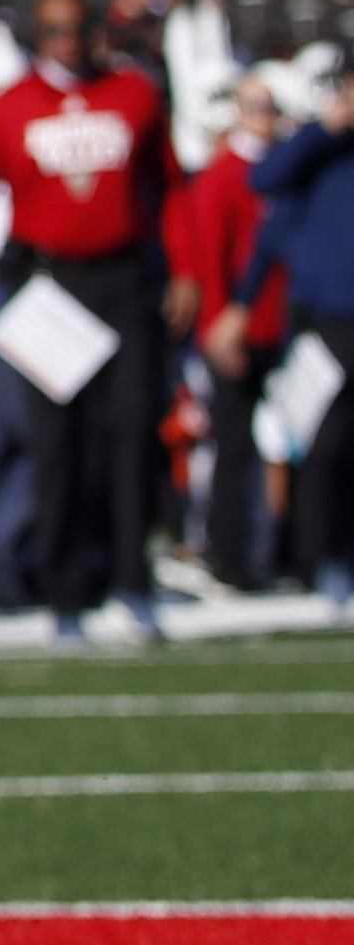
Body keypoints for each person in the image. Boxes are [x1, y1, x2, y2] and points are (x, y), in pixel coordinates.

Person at [0, 0, 185, 637]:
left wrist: (184, 271)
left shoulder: (133, 92)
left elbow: (170, 186)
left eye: (76, 29)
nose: (67, 44)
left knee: (131, 432)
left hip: (123, 278)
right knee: (57, 444)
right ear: (35, 37)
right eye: (53, 32)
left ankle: (133, 583)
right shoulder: (9, 106)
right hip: (47, 284)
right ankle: (64, 595)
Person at [239, 75, 354, 608]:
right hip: (324, 318)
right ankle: (321, 560)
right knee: (323, 443)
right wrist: (324, 130)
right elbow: (264, 183)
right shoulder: (318, 147)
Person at [185, 77, 290, 588]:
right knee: (233, 447)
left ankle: (291, 553)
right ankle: (227, 557)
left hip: (285, 326)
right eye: (257, 108)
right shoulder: (224, 177)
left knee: (296, 445)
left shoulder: (288, 172)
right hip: (238, 330)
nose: (266, 117)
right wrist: (220, 324)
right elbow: (211, 259)